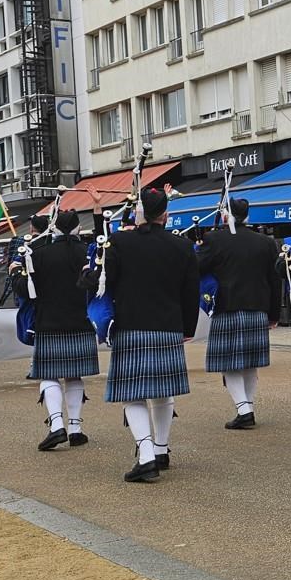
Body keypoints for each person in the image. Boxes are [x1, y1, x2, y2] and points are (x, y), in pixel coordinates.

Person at [97, 188, 200, 484]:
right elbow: (190, 292)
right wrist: (187, 329)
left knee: (133, 394)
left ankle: (146, 457)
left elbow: (108, 281)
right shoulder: (182, 247)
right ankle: (161, 449)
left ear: (141, 212)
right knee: (162, 391)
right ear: (166, 214)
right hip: (168, 326)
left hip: (131, 324)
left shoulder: (120, 241)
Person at [198, 198, 283, 430]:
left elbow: (197, 267)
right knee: (249, 363)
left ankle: (244, 409)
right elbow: (275, 281)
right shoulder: (265, 242)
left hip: (226, 307)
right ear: (247, 216)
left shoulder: (214, 239)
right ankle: (248, 406)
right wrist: (274, 313)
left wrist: (202, 246)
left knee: (230, 364)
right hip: (257, 308)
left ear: (226, 215)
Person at [27, 210, 98, 451]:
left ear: (54, 228)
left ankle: (57, 425)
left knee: (49, 376)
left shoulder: (40, 254)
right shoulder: (87, 252)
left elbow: (27, 290)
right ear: (78, 228)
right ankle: (76, 429)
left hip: (49, 321)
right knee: (74, 375)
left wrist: (17, 268)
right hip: (82, 320)